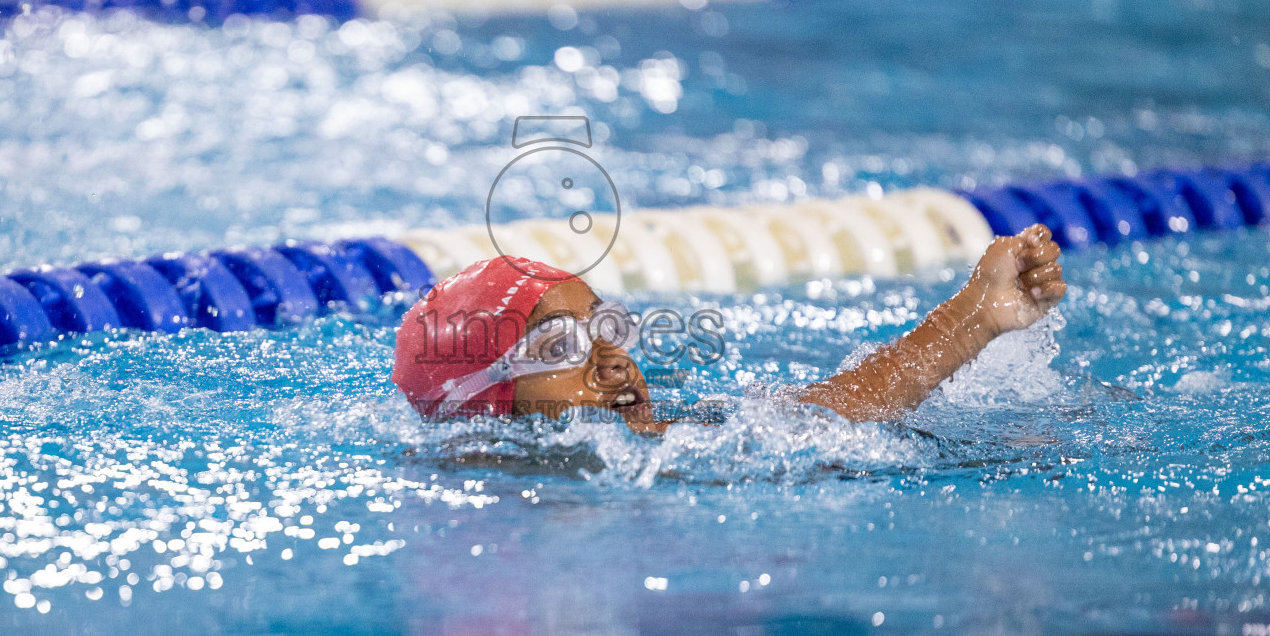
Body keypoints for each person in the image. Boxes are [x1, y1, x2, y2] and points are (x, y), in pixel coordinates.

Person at [392, 224, 1066, 433]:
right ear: (486, 402)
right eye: (561, 347)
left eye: (606, 328)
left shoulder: (679, 436)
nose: (614, 363)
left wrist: (976, 318)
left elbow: (830, 411)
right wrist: (970, 317)